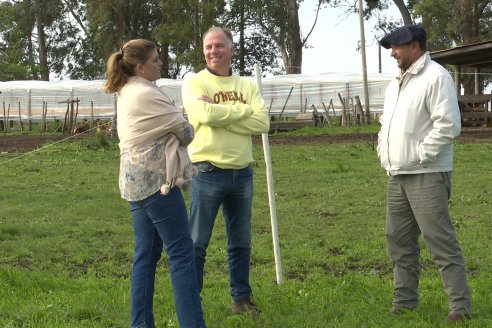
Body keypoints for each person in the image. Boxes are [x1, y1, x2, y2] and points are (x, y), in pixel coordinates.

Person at [103, 39, 206, 328]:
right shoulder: (147, 93)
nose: (160, 63)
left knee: (145, 256)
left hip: (134, 184)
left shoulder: (126, 91)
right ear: (140, 66)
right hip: (158, 184)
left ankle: (140, 324)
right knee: (182, 253)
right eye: (156, 59)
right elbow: (186, 132)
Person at [377, 25, 472, 322]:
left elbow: (448, 125)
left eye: (397, 47)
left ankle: (460, 307)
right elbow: (385, 123)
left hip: (428, 173)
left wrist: (420, 155)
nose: (392, 53)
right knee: (399, 240)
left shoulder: (436, 77)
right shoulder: (395, 82)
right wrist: (384, 152)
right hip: (397, 174)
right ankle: (404, 302)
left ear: (414, 46)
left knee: (439, 240)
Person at [181, 26, 270, 315]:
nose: (213, 51)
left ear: (232, 49)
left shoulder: (247, 85)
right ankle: (191, 301)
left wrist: (222, 117)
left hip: (242, 172)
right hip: (206, 172)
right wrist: (242, 110)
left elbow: (263, 124)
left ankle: (241, 299)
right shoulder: (195, 83)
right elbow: (203, 115)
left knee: (241, 242)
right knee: (197, 242)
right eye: (208, 46)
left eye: (219, 45)